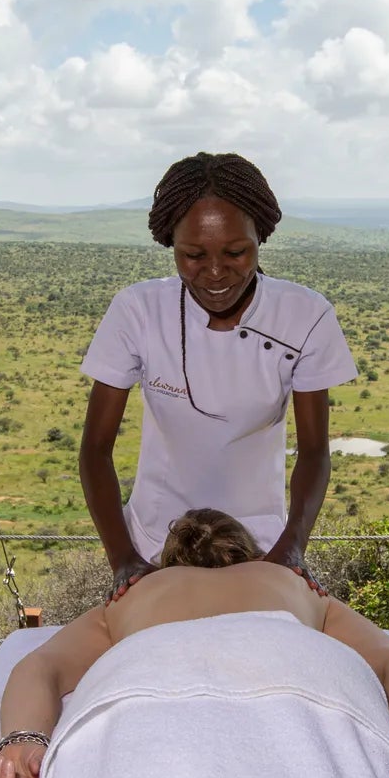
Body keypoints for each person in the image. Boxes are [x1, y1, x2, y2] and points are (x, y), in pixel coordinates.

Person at [0, 509, 389, 778]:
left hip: (152, 698)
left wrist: (23, 744)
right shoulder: (295, 587)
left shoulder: (134, 594)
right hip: (297, 687)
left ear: (171, 564)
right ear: (249, 554)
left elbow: (38, 667)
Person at [78, 152, 357, 599]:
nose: (213, 272)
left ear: (259, 238)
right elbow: (94, 450)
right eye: (192, 255)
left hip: (264, 545)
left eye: (235, 252)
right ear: (171, 243)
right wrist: (124, 559)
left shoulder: (305, 315)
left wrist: (291, 547)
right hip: (153, 545)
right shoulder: (138, 311)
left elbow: (313, 452)